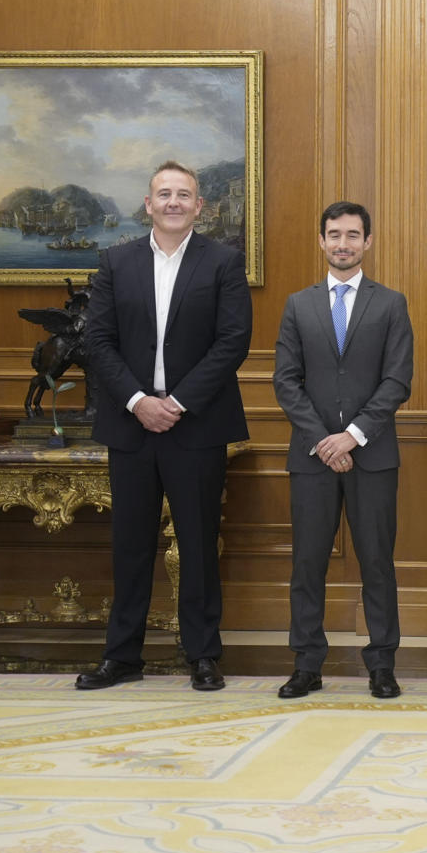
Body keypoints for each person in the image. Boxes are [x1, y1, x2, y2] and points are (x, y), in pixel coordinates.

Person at [76, 161, 252, 692]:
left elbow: (232, 342)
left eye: (184, 195)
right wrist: (137, 401)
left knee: (199, 543)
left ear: (200, 206)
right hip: (131, 427)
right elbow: (97, 342)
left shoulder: (223, 262)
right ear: (147, 204)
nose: (174, 202)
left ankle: (202, 655)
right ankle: (122, 656)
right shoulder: (115, 262)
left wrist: (175, 403)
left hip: (196, 426)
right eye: (164, 194)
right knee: (130, 544)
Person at [272, 201, 415, 702]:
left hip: (372, 457)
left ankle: (381, 664)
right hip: (311, 458)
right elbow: (286, 382)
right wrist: (324, 441)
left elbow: (398, 381)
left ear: (368, 242)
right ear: (321, 240)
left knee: (377, 561)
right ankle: (306, 664)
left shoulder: (391, 304)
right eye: (334, 234)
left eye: (353, 235)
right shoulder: (298, 305)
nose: (343, 243)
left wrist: (351, 436)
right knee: (307, 563)